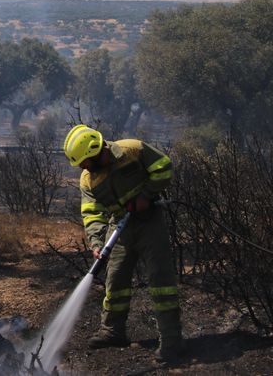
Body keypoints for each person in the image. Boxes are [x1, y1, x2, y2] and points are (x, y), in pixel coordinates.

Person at [63, 124, 185, 362]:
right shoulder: (88, 180)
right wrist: (97, 241)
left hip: (149, 223)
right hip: (119, 226)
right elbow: (92, 213)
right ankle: (112, 331)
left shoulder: (132, 150)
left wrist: (145, 195)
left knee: (161, 281)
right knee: (115, 280)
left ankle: (172, 341)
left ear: (96, 152)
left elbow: (164, 167)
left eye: (84, 162)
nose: (81, 168)